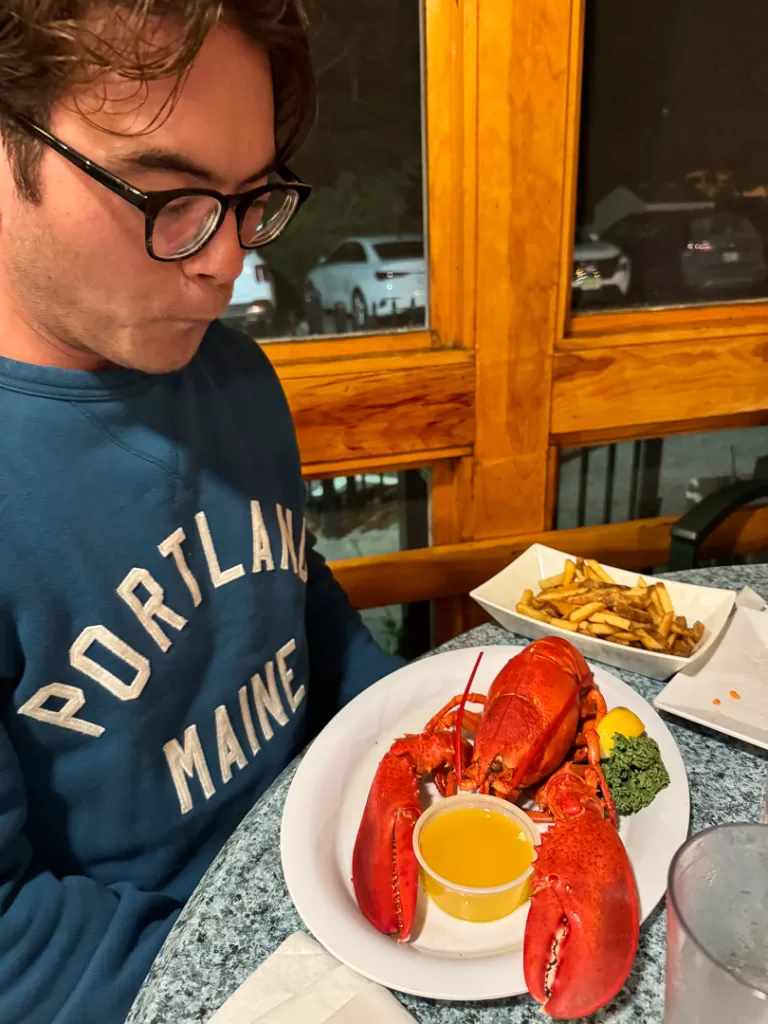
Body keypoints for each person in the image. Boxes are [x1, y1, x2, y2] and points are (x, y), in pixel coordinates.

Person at [0, 3, 404, 1021]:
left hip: (341, 884)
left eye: (251, 200)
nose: (227, 262)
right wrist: (311, 984)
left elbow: (298, 608)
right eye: (170, 195)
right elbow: (14, 946)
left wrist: (428, 739)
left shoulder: (232, 370)